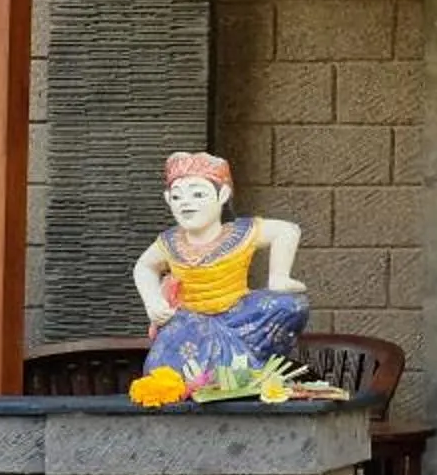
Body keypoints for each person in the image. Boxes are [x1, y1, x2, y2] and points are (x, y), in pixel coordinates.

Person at [132, 150, 310, 378]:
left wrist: (279, 276)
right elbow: (144, 266)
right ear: (168, 199)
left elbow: (287, 230)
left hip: (238, 317)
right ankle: (235, 370)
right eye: (177, 197)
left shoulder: (239, 233)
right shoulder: (170, 242)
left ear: (223, 194)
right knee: (166, 361)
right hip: (189, 322)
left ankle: (244, 365)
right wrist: (153, 302)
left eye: (198, 194)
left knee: (292, 305)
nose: (186, 203)